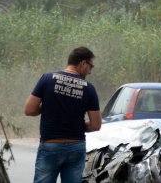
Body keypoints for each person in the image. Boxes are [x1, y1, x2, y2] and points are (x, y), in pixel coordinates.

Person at [24, 46, 102, 183]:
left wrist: (48, 106)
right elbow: (96, 125)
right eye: (91, 66)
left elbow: (29, 110)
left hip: (51, 145)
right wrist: (76, 125)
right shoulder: (89, 89)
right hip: (76, 146)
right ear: (83, 63)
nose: (90, 72)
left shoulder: (47, 78)